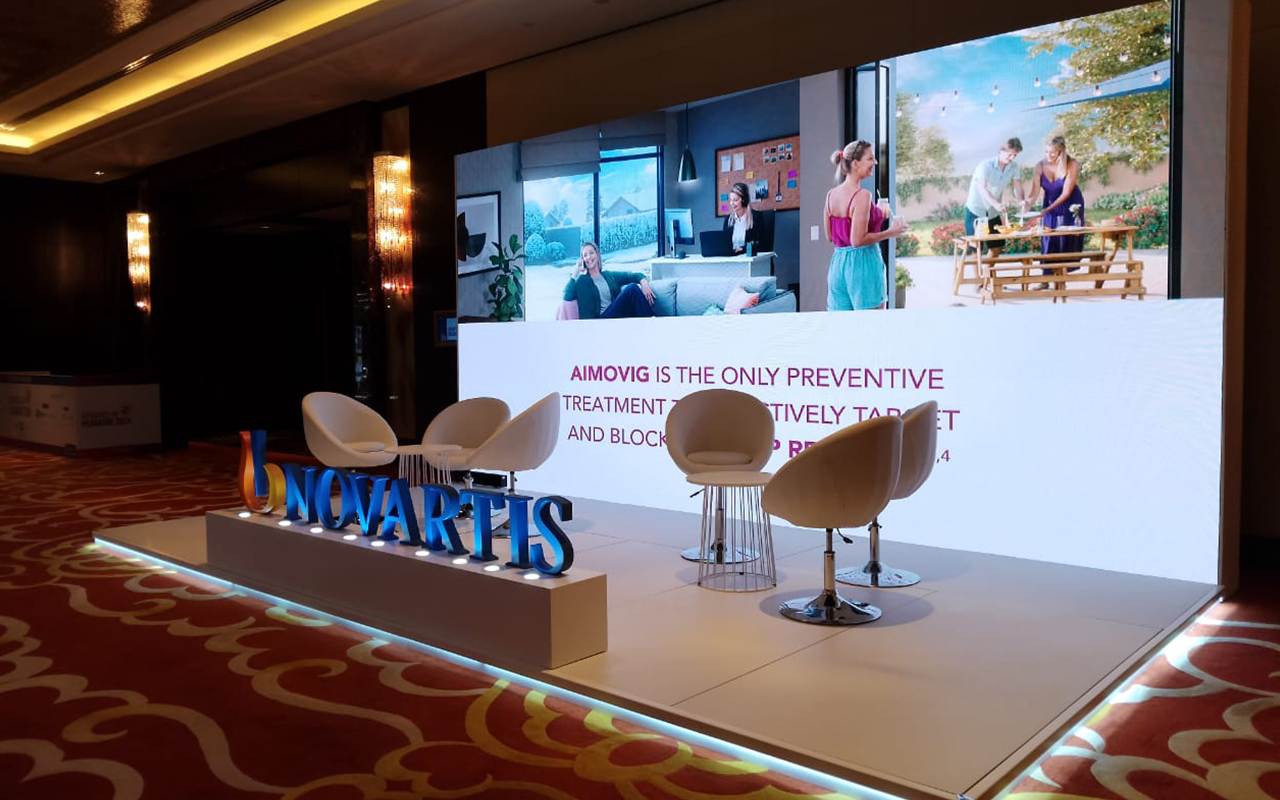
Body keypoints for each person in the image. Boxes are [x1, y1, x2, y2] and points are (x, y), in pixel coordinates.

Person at [824, 141, 907, 311]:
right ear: (855, 163)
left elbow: (830, 236)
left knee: (840, 323)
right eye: (870, 158)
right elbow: (857, 240)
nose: (875, 162)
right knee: (872, 324)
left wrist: (876, 214)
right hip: (863, 266)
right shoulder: (862, 196)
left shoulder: (831, 195)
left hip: (838, 266)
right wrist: (891, 232)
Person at [1026, 135, 1086, 279]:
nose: (1048, 155)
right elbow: (1035, 191)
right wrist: (1026, 205)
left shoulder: (1072, 163)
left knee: (1065, 240)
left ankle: (1062, 279)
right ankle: (1045, 278)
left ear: (1060, 152)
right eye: (1046, 152)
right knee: (1048, 239)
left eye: (1052, 152)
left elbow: (1066, 192)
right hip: (1049, 203)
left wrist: (1047, 210)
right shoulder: (1040, 166)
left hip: (1070, 205)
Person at [963, 138, 1027, 258]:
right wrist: (996, 204)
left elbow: (1018, 186)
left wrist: (1021, 202)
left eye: (1015, 155)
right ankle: (978, 271)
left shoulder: (1014, 167)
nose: (1012, 158)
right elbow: (982, 188)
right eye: (1009, 154)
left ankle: (987, 269)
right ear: (1001, 151)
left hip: (993, 211)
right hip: (976, 209)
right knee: (976, 248)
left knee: (997, 247)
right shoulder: (985, 166)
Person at [563, 241, 656, 319]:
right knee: (632, 288)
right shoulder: (582, 281)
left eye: (591, 253)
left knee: (633, 290)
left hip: (614, 317)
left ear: (597, 255)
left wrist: (644, 284)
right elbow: (567, 296)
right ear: (583, 260)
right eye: (585, 255)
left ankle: (647, 323)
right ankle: (651, 321)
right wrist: (575, 273)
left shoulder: (609, 276)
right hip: (598, 322)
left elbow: (635, 276)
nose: (589, 257)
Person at [722, 182, 766, 254]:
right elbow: (724, 242)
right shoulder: (728, 219)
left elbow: (760, 242)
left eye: (735, 200)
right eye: (730, 200)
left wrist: (743, 249)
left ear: (744, 200)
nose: (732, 203)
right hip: (732, 257)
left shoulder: (756, 217)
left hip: (748, 256)